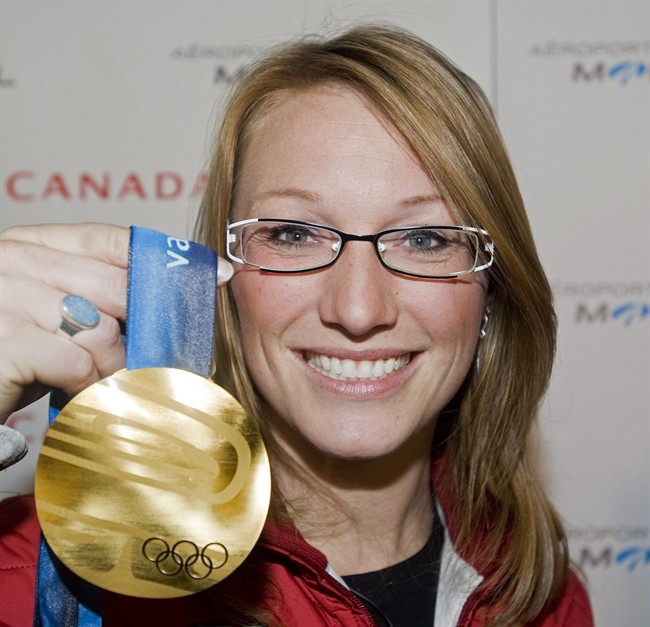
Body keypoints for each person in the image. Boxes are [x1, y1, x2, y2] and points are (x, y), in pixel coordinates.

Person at [0, 24, 593, 626]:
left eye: (424, 239)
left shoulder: (537, 595)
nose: (359, 310)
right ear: (223, 282)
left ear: (492, 287)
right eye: (293, 234)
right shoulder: (40, 585)